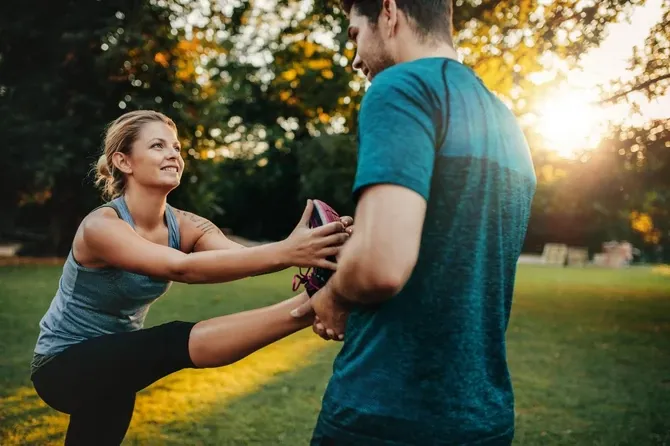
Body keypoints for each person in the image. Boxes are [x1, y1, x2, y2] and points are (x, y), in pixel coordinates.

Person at [290, 1, 537, 445]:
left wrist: (335, 294)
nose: (355, 57)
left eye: (353, 34)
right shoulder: (506, 120)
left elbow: (380, 266)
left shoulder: (399, 87)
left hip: (386, 413)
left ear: (389, 12)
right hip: (483, 419)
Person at [29, 109, 352, 445]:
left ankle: (316, 301)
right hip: (63, 364)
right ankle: (311, 306)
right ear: (124, 162)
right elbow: (181, 268)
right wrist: (291, 251)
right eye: (157, 146)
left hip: (119, 364)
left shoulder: (185, 225)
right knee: (170, 341)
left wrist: (320, 245)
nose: (173, 154)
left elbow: (240, 259)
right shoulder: (102, 227)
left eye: (177, 148)